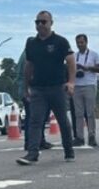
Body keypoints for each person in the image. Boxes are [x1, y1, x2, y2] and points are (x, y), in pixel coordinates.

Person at [17, 11, 77, 165]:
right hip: (38, 89)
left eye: (43, 22)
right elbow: (28, 66)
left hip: (57, 87)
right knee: (35, 121)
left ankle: (69, 150)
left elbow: (70, 61)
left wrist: (71, 82)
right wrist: (26, 87)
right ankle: (32, 153)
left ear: (51, 23)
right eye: (37, 22)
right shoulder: (31, 44)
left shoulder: (60, 42)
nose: (40, 25)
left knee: (63, 121)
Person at [16, 49, 53, 151]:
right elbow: (30, 73)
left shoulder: (24, 55)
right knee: (33, 117)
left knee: (35, 117)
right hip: (30, 90)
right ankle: (31, 142)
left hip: (26, 89)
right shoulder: (29, 56)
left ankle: (38, 141)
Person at [72, 34, 99, 147]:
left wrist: (87, 68)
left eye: (82, 42)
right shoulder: (74, 56)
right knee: (78, 113)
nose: (80, 45)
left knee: (90, 112)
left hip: (89, 85)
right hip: (77, 86)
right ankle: (79, 137)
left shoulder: (94, 55)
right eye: (78, 43)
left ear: (86, 42)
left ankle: (91, 136)